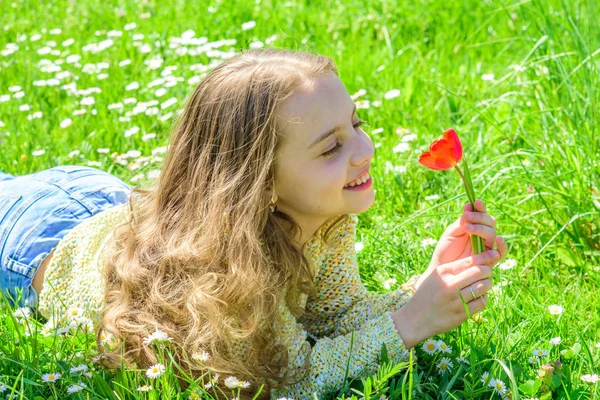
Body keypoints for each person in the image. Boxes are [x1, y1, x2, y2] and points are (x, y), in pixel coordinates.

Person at [0, 48, 507, 399]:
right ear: (260, 183)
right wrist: (411, 321)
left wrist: (430, 284)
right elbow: (288, 381)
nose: (365, 150)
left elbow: (335, 319)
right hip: (34, 237)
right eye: (331, 146)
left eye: (356, 124)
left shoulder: (323, 216)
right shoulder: (224, 273)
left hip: (104, 197)